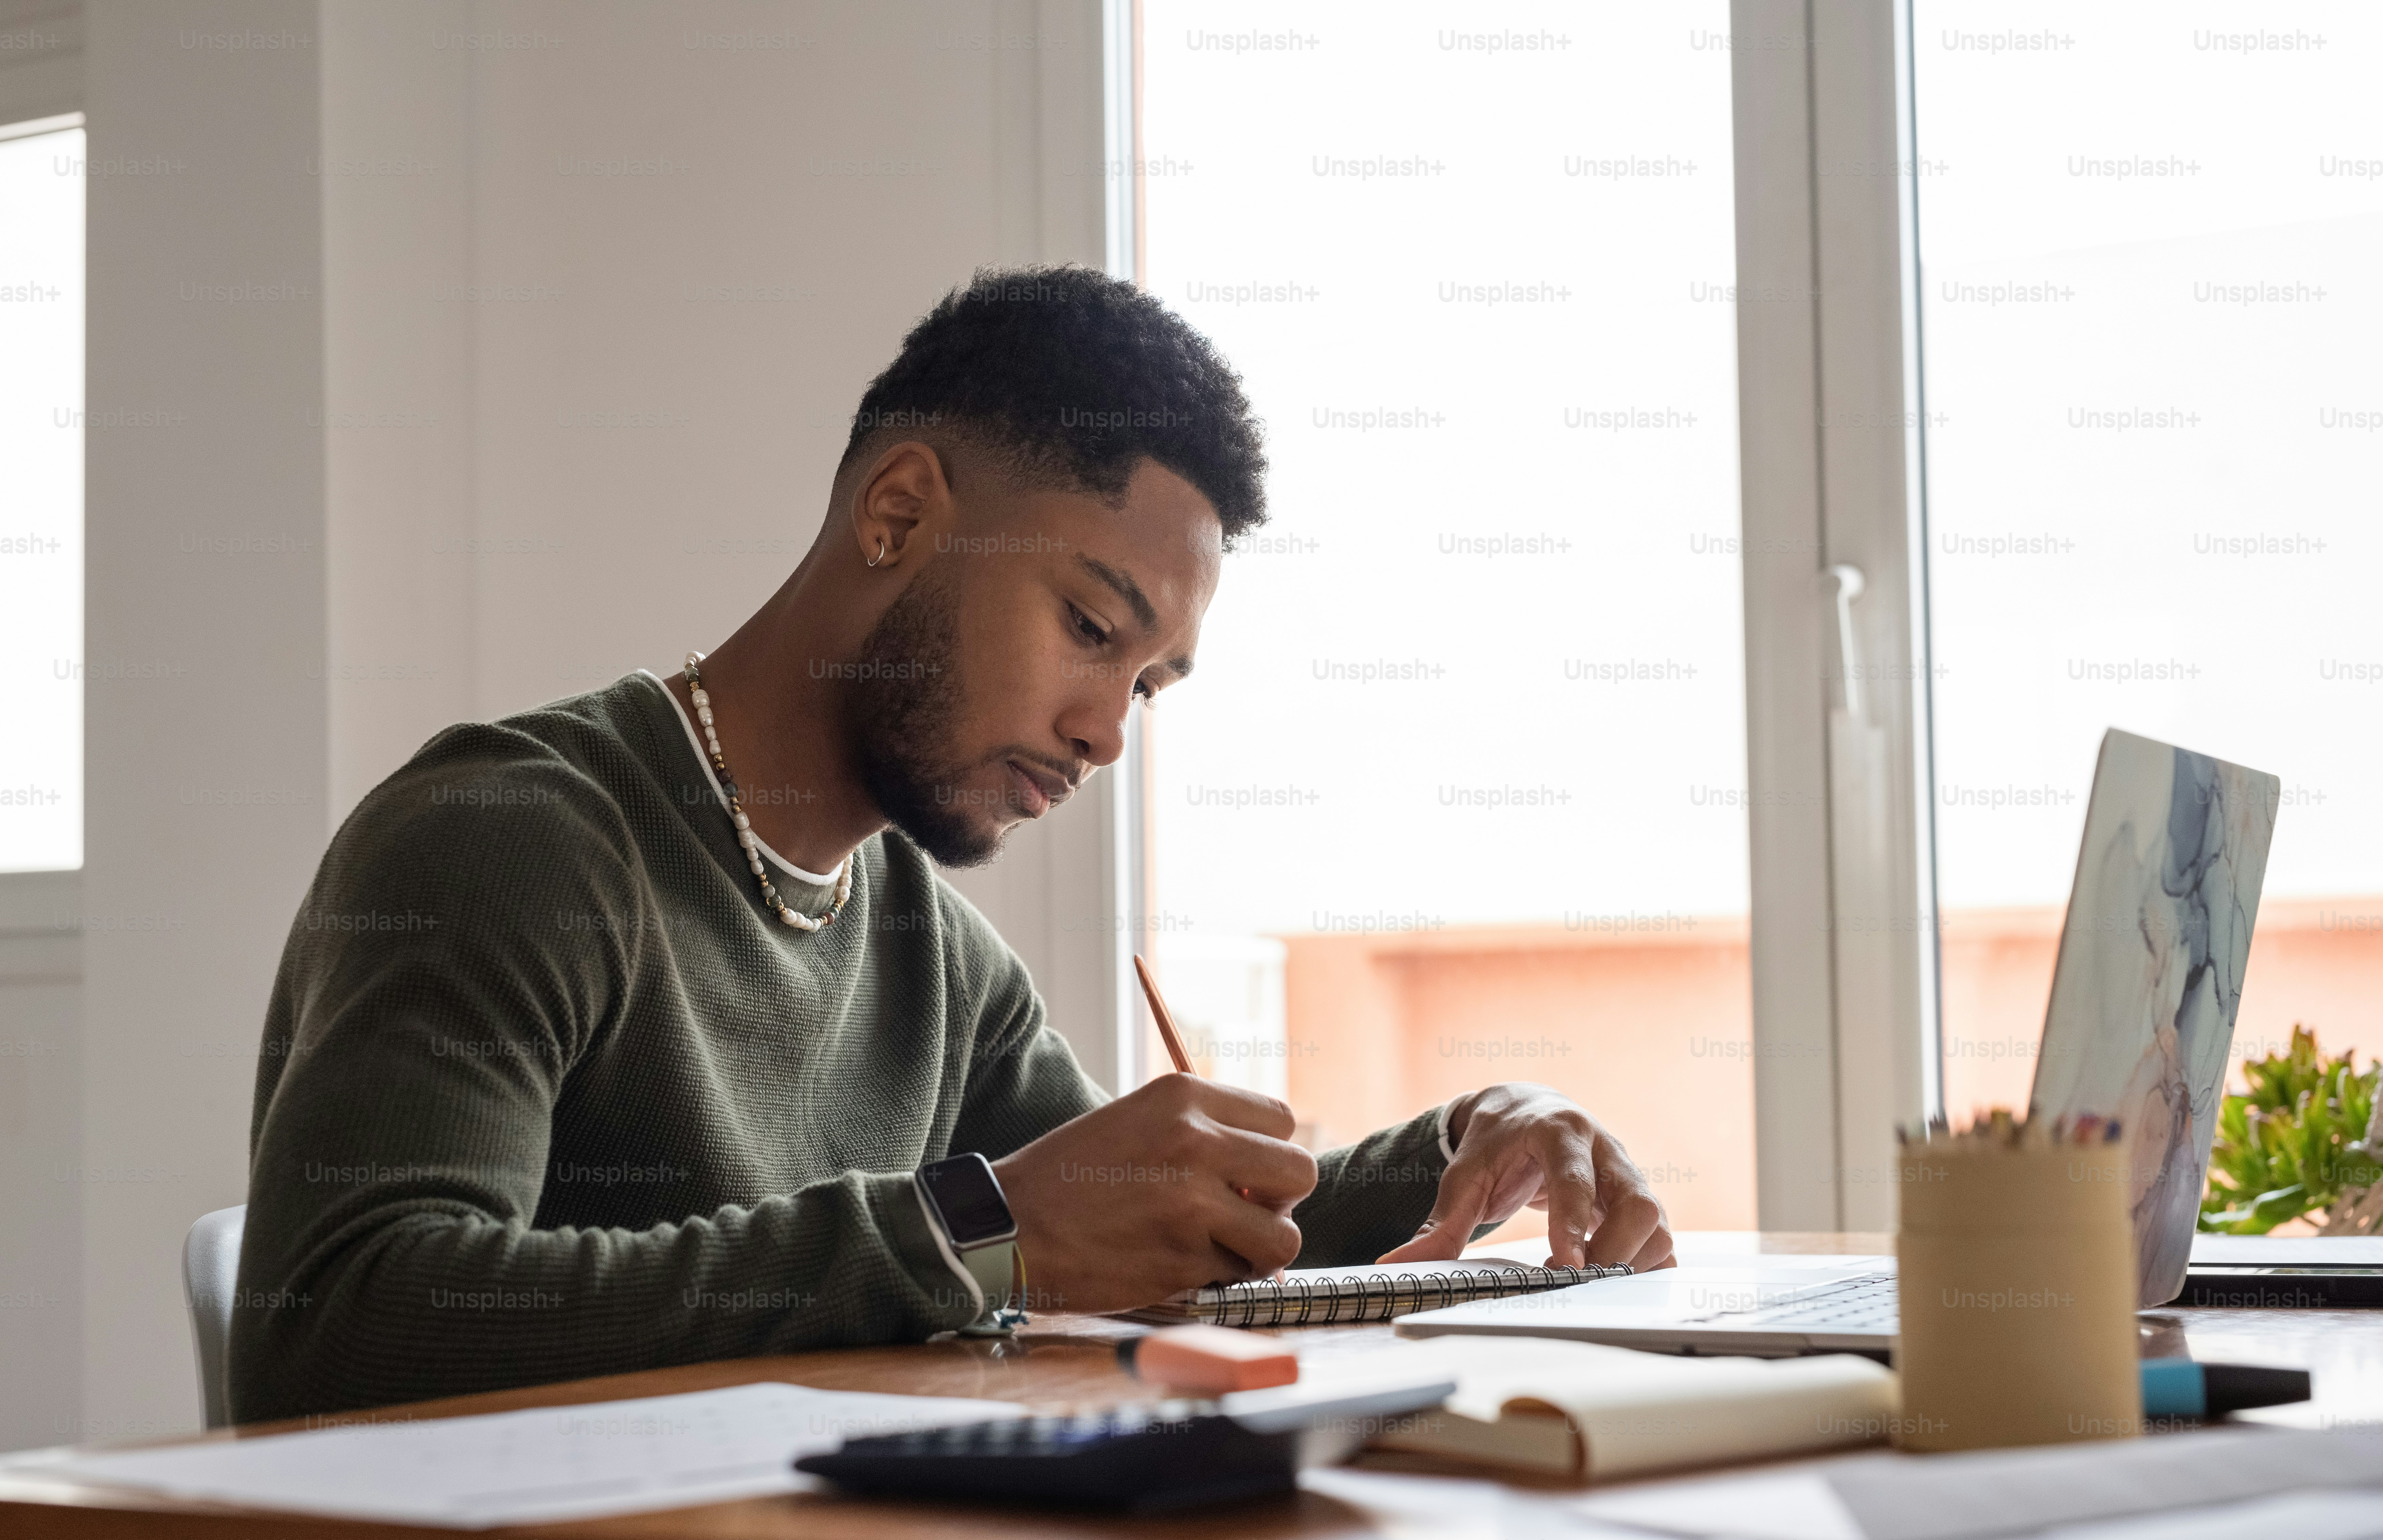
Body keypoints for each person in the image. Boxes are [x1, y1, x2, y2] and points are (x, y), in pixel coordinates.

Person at [232, 266, 1674, 1424]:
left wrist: (1476, 1140)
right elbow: (341, 1324)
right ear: (901, 513)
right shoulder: (510, 840)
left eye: (1148, 685)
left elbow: (1142, 1213)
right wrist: (969, 1233)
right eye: (1092, 630)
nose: (1108, 729)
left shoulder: (929, 951)